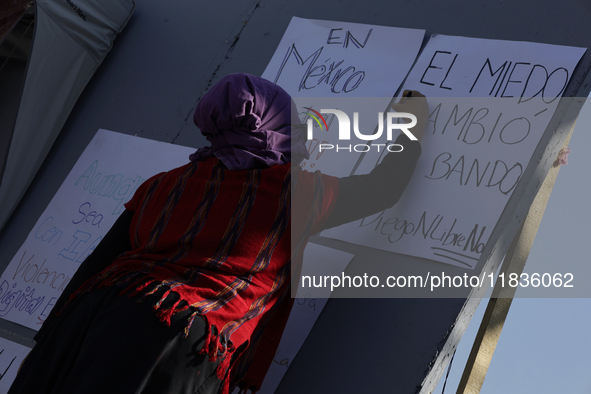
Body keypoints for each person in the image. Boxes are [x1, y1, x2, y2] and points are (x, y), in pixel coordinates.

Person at [9, 73, 426, 394]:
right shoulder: (297, 191)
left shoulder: (163, 182)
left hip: (88, 316)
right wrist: (411, 124)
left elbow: (98, 263)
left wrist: (51, 339)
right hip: (171, 341)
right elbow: (382, 189)